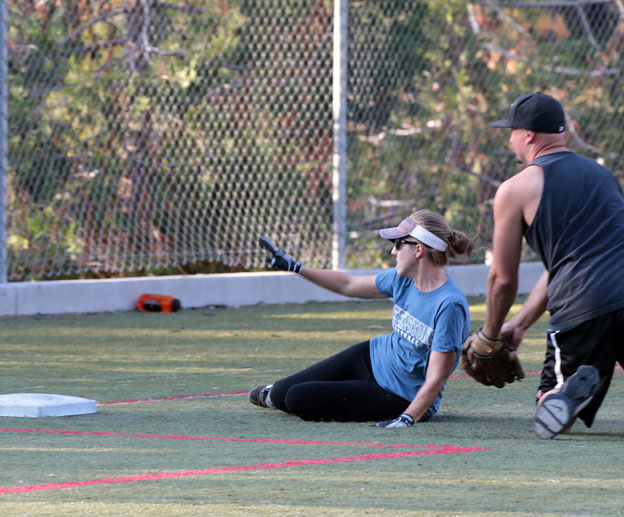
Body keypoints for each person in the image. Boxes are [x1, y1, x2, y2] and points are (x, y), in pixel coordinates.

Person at [479, 91, 624, 439]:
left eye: (511, 130)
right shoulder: (601, 175)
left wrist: (490, 334)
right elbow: (565, 263)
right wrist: (520, 323)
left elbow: (502, 279)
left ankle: (563, 393)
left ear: (527, 135)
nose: (510, 138)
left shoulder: (516, 188)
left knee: (553, 416)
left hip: (583, 306)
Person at [249, 210, 475, 427]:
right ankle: (277, 394)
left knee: (297, 397)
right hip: (371, 356)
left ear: (418, 250)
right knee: (279, 394)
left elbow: (436, 377)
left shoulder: (449, 305)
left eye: (398, 244)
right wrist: (296, 267)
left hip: (399, 395)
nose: (393, 252)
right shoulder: (402, 279)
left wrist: (408, 417)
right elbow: (349, 284)